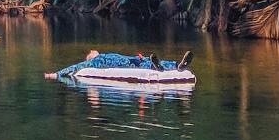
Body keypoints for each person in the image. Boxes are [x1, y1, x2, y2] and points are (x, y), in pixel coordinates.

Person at [43, 50, 188, 80]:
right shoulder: (93, 61)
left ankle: (178, 65)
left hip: (129, 58)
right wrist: (56, 74)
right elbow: (74, 67)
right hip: (123, 63)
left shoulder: (102, 55)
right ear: (90, 57)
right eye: (91, 52)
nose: (93, 50)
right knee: (143, 64)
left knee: (146, 60)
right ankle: (157, 66)